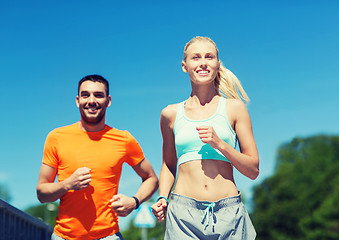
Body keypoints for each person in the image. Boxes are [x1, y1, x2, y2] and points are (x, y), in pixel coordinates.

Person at [151, 36, 259, 240]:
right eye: (195, 57)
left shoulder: (235, 108)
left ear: (218, 64)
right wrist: (163, 197)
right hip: (183, 216)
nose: (202, 63)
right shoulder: (170, 114)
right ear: (185, 66)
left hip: (230, 215)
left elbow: (253, 170)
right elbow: (168, 164)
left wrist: (220, 144)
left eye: (209, 57)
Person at [37, 74, 158, 240]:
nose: (91, 100)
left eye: (98, 95)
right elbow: (42, 193)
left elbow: (151, 178)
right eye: (85, 95)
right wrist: (67, 184)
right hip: (63, 236)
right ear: (77, 100)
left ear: (108, 101)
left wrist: (134, 202)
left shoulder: (124, 139)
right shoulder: (56, 137)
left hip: (108, 236)